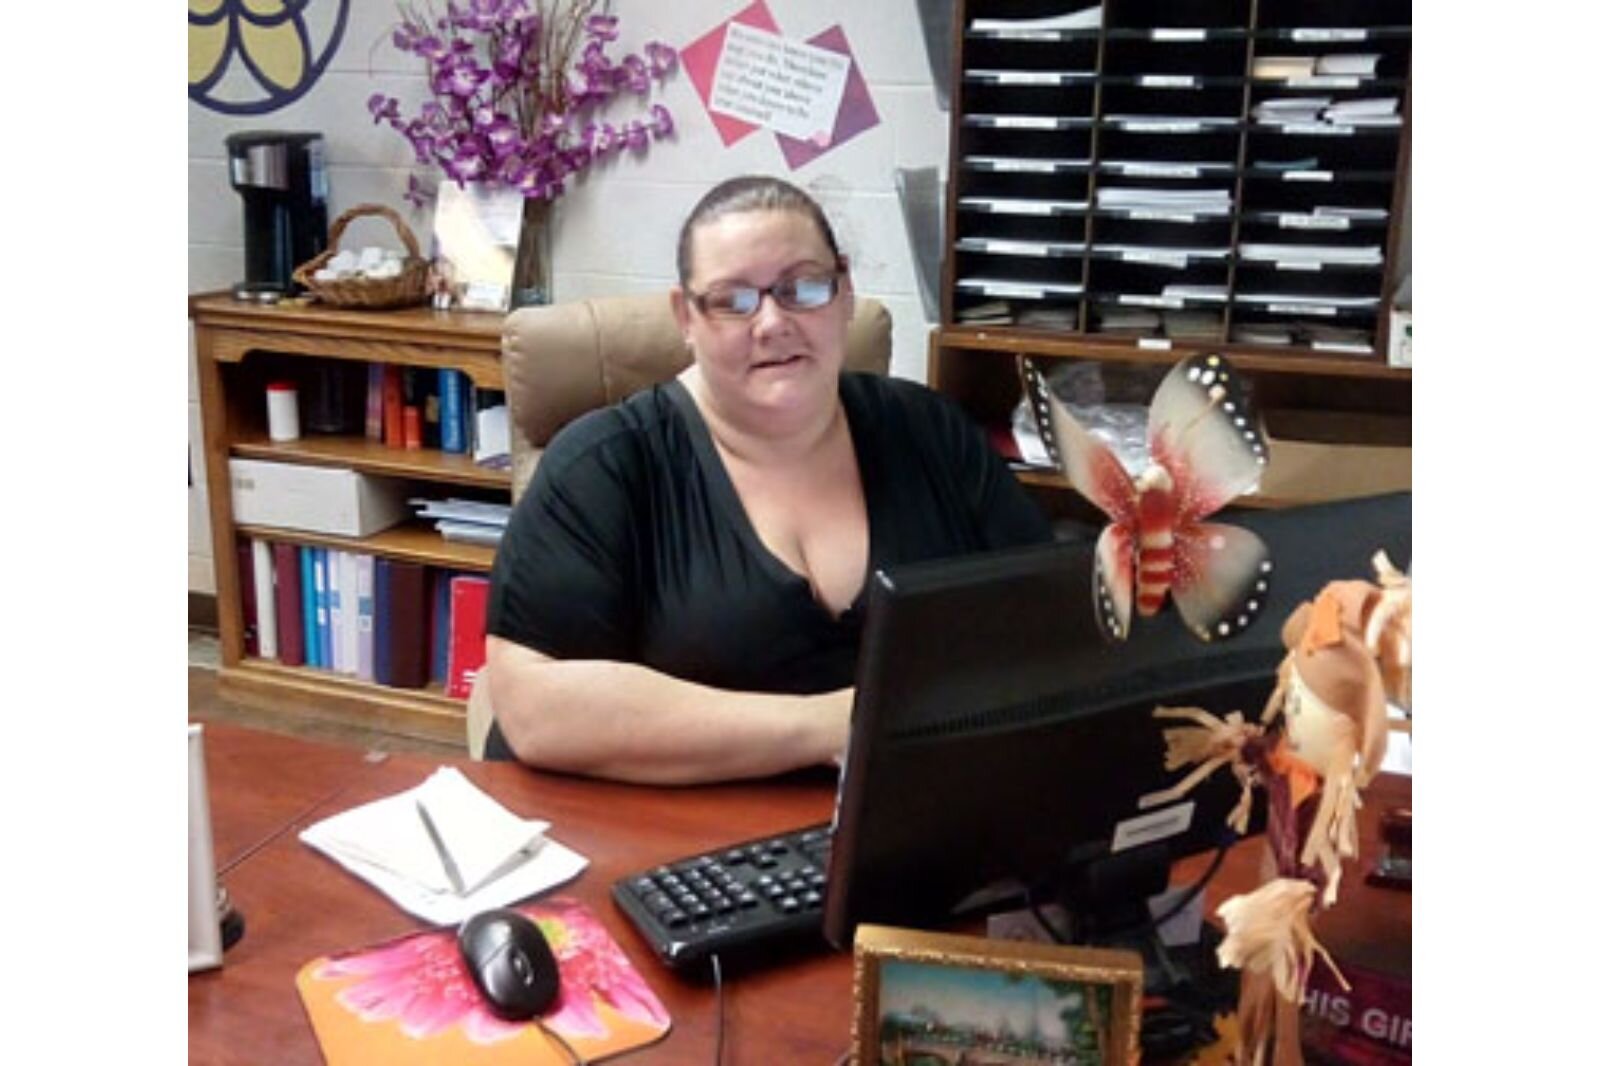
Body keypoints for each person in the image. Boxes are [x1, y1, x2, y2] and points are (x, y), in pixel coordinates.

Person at [483, 175, 1053, 783]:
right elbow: (534, 708)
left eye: (803, 287)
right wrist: (837, 725)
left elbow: (1042, 618)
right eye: (733, 300)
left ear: (844, 290)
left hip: (896, 825)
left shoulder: (928, 430)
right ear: (686, 316)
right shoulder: (602, 466)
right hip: (667, 841)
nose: (773, 322)